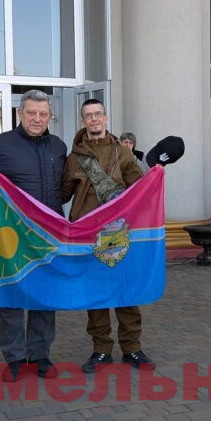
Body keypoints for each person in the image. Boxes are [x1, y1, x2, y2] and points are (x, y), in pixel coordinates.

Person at [0, 90, 67, 382]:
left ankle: (39, 355)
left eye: (43, 114)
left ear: (50, 116)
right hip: (10, 235)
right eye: (31, 113)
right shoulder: (0, 145)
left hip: (48, 234)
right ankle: (13, 357)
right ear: (20, 113)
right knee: (11, 295)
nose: (37, 119)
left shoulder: (59, 147)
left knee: (45, 297)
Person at [61, 99, 155, 373]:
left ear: (105, 118)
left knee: (126, 291)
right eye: (88, 116)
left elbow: (141, 189)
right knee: (95, 294)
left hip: (118, 231)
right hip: (87, 233)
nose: (93, 119)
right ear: (82, 121)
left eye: (98, 114)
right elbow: (63, 194)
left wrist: (157, 174)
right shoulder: (74, 158)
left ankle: (132, 348)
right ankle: (101, 350)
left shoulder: (123, 154)